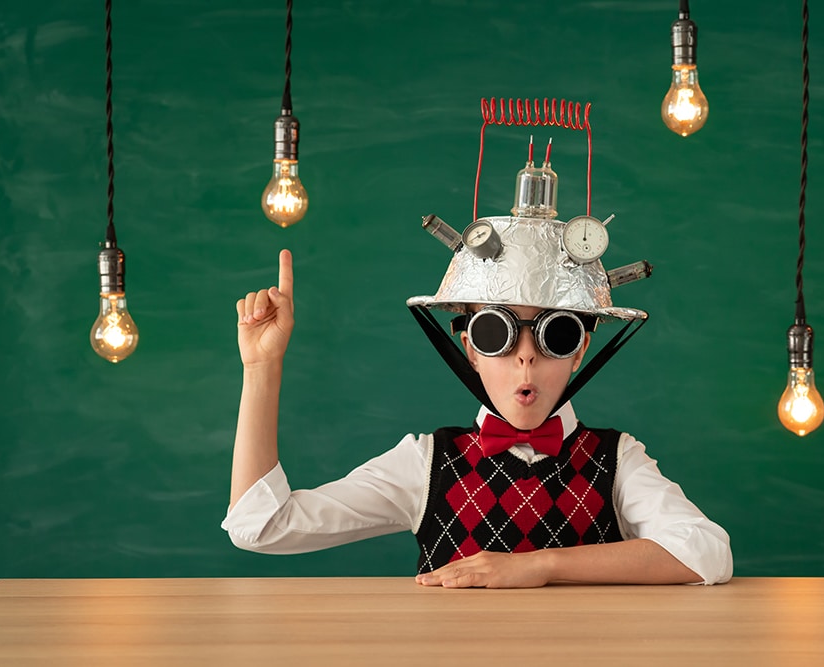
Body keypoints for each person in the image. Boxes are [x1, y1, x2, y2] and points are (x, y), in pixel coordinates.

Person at [223, 213, 733, 588]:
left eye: (555, 335)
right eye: (497, 332)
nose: (526, 359)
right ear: (469, 348)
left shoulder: (617, 460)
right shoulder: (425, 465)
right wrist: (262, 369)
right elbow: (262, 526)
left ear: (579, 350)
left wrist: (539, 565)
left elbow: (707, 551)